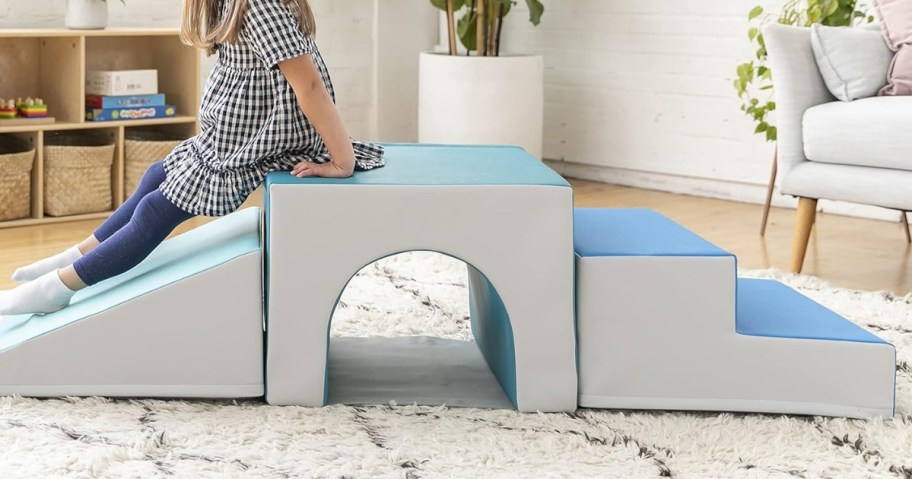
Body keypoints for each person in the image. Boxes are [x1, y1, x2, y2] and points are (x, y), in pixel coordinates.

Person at [0, 0, 384, 317]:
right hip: (230, 135)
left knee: (155, 210)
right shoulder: (229, 6)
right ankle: (74, 255)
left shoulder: (260, 6)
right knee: (155, 175)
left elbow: (310, 85)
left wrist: (341, 160)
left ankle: (60, 286)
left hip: (258, 142)